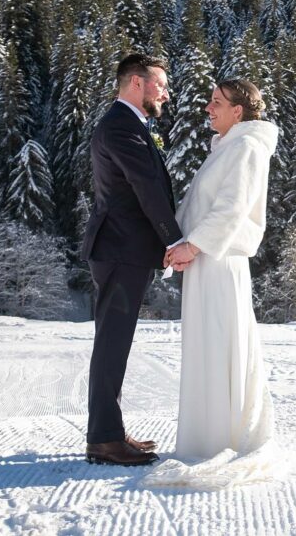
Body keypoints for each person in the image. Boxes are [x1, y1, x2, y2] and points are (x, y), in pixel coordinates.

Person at [144, 78, 280, 489]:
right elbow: (199, 206)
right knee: (207, 346)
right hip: (208, 259)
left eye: (217, 102)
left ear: (238, 111)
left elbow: (232, 208)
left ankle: (222, 438)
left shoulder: (246, 146)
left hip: (221, 262)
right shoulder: (227, 146)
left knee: (220, 345)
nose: (208, 108)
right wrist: (176, 244)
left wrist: (194, 246)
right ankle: (208, 436)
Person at [79, 53, 183, 466]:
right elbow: (146, 187)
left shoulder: (128, 124)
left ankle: (109, 430)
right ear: (136, 82)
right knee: (112, 343)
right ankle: (104, 439)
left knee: (115, 343)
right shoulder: (121, 125)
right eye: (161, 84)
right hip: (120, 250)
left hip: (123, 250)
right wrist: (175, 241)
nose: (166, 94)